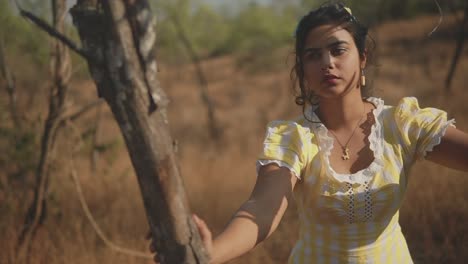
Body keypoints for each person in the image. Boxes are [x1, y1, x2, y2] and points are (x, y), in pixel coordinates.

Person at [149, 2, 468, 263]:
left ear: (363, 57)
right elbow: (262, 208)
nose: (327, 62)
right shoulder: (294, 138)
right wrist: (208, 253)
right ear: (302, 70)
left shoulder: (401, 124)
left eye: (338, 50)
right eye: (313, 55)